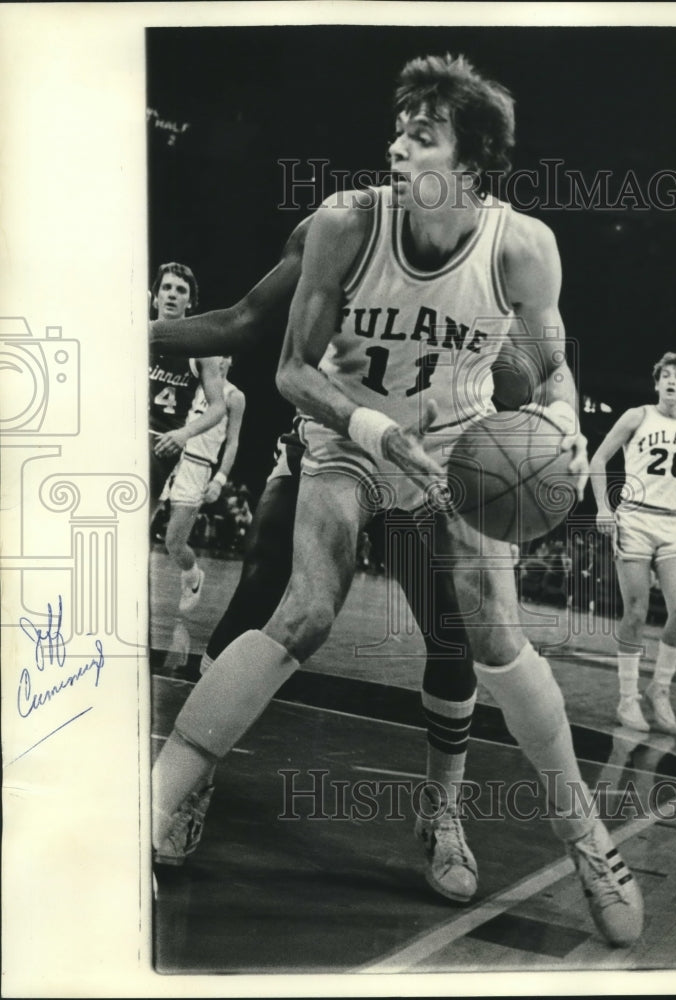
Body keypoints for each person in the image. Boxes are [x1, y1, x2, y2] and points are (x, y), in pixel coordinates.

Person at [151, 54, 643, 945]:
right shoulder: (346, 221)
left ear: (471, 165)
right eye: (398, 126)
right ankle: (158, 798)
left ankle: (584, 836)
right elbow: (291, 366)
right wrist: (375, 433)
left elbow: (551, 363)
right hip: (348, 436)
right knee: (301, 606)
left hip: (454, 449)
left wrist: (564, 417)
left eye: (423, 133)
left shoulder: (522, 248)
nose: (397, 143)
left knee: (488, 632)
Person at [589, 351, 676, 734]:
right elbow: (598, 459)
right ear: (656, 383)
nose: (672, 381)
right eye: (666, 376)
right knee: (637, 611)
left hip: (674, 523)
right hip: (635, 518)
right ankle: (627, 698)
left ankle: (660, 687)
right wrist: (603, 508)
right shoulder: (636, 416)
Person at [160, 356, 246, 612]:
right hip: (168, 454)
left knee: (174, 542)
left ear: (231, 362)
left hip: (198, 466)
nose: (219, 361)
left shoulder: (234, 396)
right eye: (215, 355)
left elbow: (233, 442)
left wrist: (220, 479)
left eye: (225, 357)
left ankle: (192, 575)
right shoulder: (190, 383)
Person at [148, 262, 227, 520]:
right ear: (156, 297)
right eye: (166, 288)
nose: (172, 294)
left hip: (162, 439)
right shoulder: (132, 333)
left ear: (190, 302)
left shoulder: (202, 348)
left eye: (180, 290)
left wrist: (184, 433)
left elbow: (217, 407)